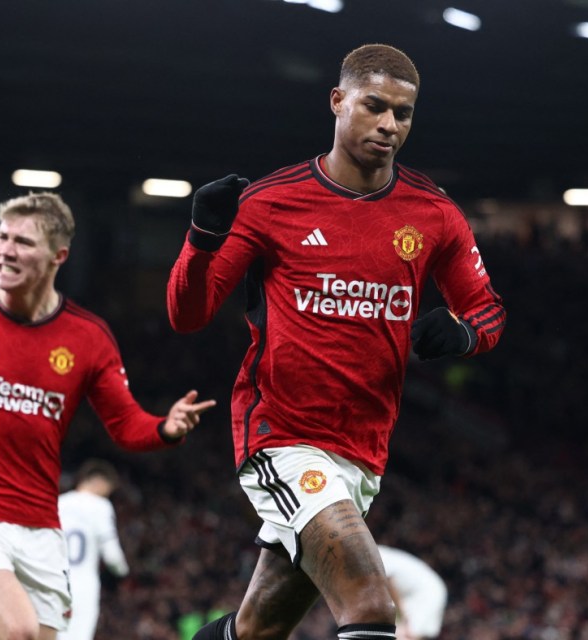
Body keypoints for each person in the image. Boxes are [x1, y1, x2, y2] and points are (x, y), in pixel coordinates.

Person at [167, 43, 506, 640]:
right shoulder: (272, 202)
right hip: (283, 438)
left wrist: (462, 334)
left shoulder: (432, 213)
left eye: (403, 114)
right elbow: (187, 315)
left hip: (363, 452)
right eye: (374, 106)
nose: (389, 126)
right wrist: (202, 238)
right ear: (338, 101)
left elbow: (488, 312)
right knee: (371, 605)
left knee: (255, 630)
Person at [0, 191, 216, 640]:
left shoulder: (87, 337)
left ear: (58, 256)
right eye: (2, 237)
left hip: (40, 521)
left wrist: (165, 428)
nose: (6, 250)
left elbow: (126, 426)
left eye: (24, 242)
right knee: (18, 631)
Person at [57, 459, 129, 640]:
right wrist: (123, 573)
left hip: (53, 580)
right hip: (83, 584)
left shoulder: (59, 503)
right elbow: (112, 556)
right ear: (99, 482)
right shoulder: (100, 506)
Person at [376, 545, 447, 640]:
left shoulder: (370, 553)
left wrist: (401, 613)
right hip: (414, 593)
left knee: (406, 633)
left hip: (426, 591)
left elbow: (388, 581)